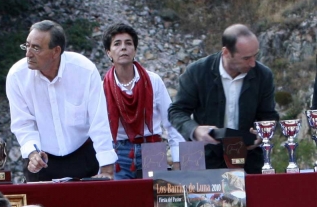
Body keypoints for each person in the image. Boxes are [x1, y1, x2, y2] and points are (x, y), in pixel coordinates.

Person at [6, 20, 116, 182]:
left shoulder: (84, 70)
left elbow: (98, 121)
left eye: (36, 48)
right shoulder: (17, 76)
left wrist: (107, 167)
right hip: (42, 160)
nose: (28, 54)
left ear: (56, 51)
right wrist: (33, 153)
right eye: (27, 46)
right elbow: (23, 123)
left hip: (83, 155)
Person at [168, 24, 278, 174]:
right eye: (246, 58)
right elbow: (177, 111)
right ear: (226, 52)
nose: (253, 63)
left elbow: (269, 115)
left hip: (248, 160)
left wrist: (262, 134)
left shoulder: (263, 75)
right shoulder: (197, 72)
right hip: (204, 159)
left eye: (255, 55)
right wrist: (194, 130)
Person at [102, 23, 184, 179]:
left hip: (152, 147)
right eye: (117, 44)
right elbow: (98, 128)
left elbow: (171, 121)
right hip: (120, 151)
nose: (123, 48)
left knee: (155, 199)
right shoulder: (102, 88)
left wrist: (178, 157)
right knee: (123, 201)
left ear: (135, 50)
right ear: (109, 53)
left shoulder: (153, 81)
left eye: (128, 43)